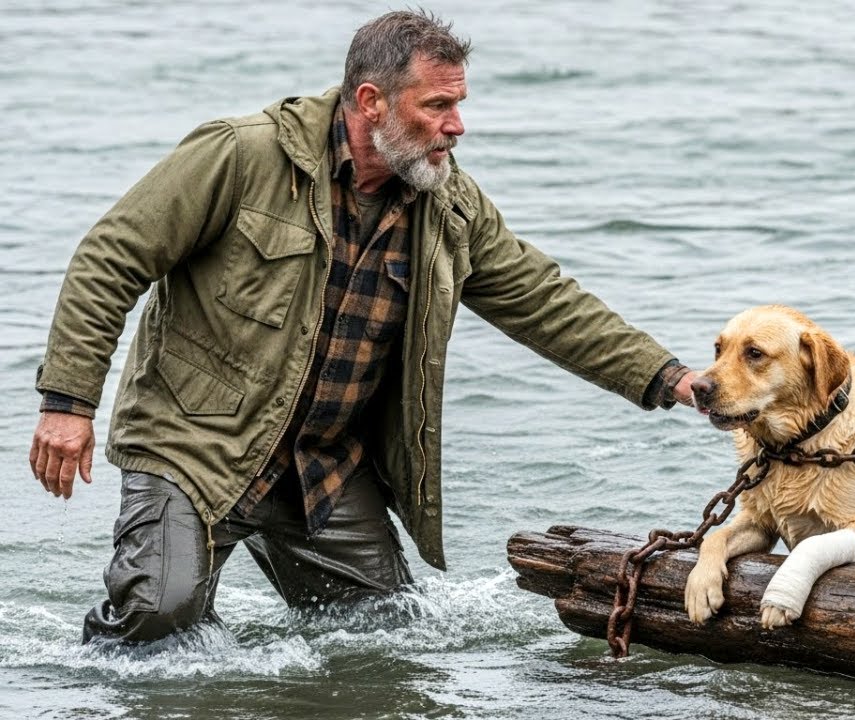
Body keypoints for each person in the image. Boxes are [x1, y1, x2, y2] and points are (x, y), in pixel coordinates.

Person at [29, 10, 696, 644]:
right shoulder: (241, 154)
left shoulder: (449, 205)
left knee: (387, 636)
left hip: (322, 464)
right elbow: (111, 255)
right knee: (157, 616)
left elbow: (543, 299)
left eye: (458, 104)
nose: (457, 126)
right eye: (437, 106)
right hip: (195, 445)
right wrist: (68, 403)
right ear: (371, 101)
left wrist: (669, 378)